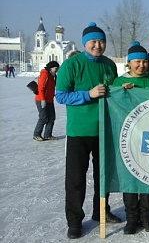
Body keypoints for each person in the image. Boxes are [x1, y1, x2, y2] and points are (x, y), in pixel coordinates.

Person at [55, 22, 121, 239]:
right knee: (76, 180)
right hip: (79, 132)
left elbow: (114, 92)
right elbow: (61, 95)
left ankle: (100, 211)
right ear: (85, 43)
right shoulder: (72, 65)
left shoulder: (110, 65)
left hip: (104, 130)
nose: (98, 45)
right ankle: (74, 221)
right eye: (93, 41)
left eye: (101, 41)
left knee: (103, 176)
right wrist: (88, 94)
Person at [113, 41, 149, 234]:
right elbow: (113, 106)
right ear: (129, 63)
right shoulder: (118, 82)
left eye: (145, 62)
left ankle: (146, 216)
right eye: (137, 62)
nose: (141, 65)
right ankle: (132, 218)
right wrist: (120, 93)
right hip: (129, 137)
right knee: (131, 177)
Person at [33, 61, 60, 141]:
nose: (57, 70)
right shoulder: (45, 74)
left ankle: (47, 135)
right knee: (43, 117)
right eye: (56, 68)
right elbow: (41, 88)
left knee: (51, 117)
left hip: (49, 100)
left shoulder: (52, 75)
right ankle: (36, 134)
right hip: (41, 99)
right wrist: (43, 100)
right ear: (51, 68)